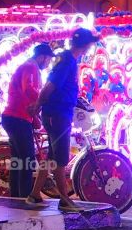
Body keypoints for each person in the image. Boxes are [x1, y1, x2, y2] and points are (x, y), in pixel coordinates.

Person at [30, 28, 99, 211]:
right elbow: (50, 85)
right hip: (57, 115)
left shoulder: (69, 60)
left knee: (52, 158)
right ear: (85, 46)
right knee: (60, 159)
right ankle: (64, 200)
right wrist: (38, 105)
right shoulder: (67, 61)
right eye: (90, 44)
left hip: (60, 113)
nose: (91, 48)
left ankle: (35, 194)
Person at [1, 42, 54, 199]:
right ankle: (24, 197)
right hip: (17, 118)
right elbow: (29, 88)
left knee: (19, 160)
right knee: (27, 160)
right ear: (42, 57)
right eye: (48, 59)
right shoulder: (30, 67)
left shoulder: (29, 66)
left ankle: (16, 197)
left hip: (14, 117)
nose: (49, 63)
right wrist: (43, 99)